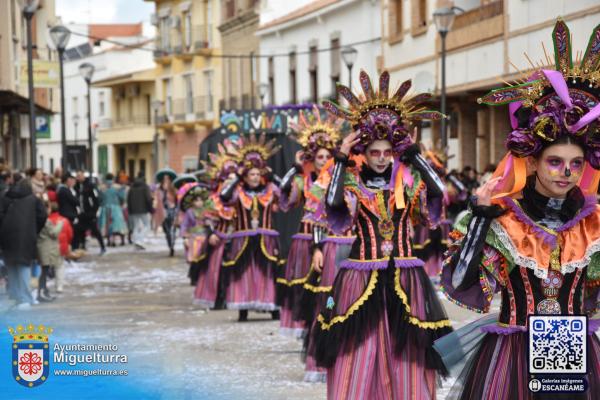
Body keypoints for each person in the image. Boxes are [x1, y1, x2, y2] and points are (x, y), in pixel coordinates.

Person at [438, 20, 600, 399]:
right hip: (513, 355)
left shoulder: (593, 224)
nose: (566, 173)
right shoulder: (507, 221)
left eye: (576, 164)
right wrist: (479, 219)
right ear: (533, 162)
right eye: (555, 162)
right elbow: (463, 283)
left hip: (573, 351)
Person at [309, 70, 452, 399]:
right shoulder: (352, 183)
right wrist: (342, 158)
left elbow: (439, 192)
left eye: (388, 152)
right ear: (364, 151)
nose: (381, 158)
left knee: (408, 352)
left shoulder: (407, 182)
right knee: (359, 347)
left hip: (405, 276)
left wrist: (415, 153)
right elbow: (332, 205)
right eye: (374, 152)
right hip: (360, 277)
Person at [218, 133, 282, 322]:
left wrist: (272, 175)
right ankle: (243, 308)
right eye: (251, 174)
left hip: (266, 238)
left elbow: (287, 191)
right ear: (245, 176)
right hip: (243, 238)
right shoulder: (238, 191)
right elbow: (223, 196)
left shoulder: (270, 189)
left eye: (257, 174)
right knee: (244, 273)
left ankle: (272, 307)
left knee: (267, 273)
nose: (255, 177)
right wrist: (237, 176)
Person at [0, 174, 47, 309]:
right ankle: (25, 298)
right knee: (24, 265)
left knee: (12, 266)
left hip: (6, 236)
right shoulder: (34, 200)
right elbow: (42, 216)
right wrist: (34, 229)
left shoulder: (5, 198)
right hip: (26, 236)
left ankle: (16, 296)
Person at [46, 190, 73, 294]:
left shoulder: (46, 220)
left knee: (47, 266)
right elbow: (70, 234)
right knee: (59, 266)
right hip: (61, 247)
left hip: (48, 247)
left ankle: (45, 286)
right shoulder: (64, 220)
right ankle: (59, 286)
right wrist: (68, 243)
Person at [36, 198, 62, 302]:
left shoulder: (38, 219)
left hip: (42, 248)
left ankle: (44, 291)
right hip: (46, 249)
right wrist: (60, 224)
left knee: (44, 272)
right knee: (44, 272)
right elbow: (54, 233)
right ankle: (41, 292)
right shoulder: (46, 221)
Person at [77, 177, 106, 254]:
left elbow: (96, 201)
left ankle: (102, 247)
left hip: (89, 214)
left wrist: (94, 212)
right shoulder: (83, 188)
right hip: (85, 213)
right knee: (82, 230)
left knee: (93, 231)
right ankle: (83, 246)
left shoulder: (90, 189)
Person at [98, 173, 128, 246]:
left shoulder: (101, 188)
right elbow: (122, 197)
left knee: (107, 224)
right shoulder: (117, 187)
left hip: (105, 208)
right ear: (113, 179)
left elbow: (99, 198)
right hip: (116, 207)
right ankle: (122, 240)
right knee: (118, 224)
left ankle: (109, 241)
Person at [155, 168, 178, 256]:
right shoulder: (159, 190)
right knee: (166, 230)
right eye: (164, 179)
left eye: (167, 178)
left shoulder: (174, 189)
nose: (166, 180)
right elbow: (158, 201)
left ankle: (172, 245)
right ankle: (170, 245)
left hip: (172, 211)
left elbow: (177, 201)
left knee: (172, 230)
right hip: (163, 212)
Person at [127, 172, 153, 250]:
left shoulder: (132, 187)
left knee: (136, 226)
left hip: (134, 210)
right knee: (147, 225)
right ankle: (139, 240)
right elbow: (148, 198)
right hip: (143, 209)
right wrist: (150, 208)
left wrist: (130, 209)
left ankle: (136, 241)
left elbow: (128, 199)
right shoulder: (145, 186)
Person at [57, 172, 80, 249]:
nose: (73, 182)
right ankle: (71, 250)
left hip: (68, 214)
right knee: (70, 235)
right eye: (71, 180)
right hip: (68, 214)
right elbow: (75, 201)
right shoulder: (64, 190)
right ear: (66, 180)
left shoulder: (65, 189)